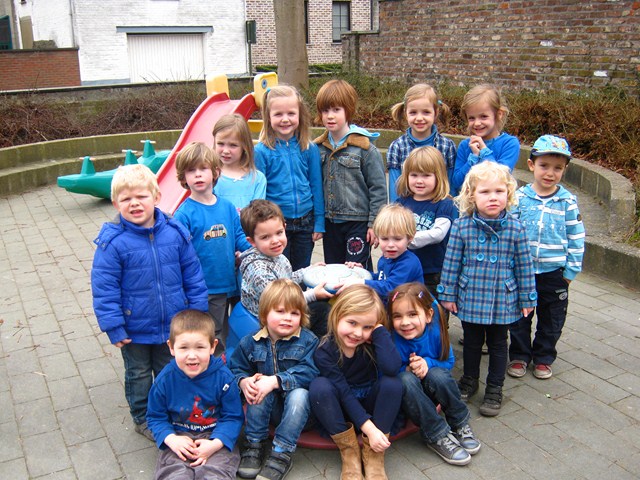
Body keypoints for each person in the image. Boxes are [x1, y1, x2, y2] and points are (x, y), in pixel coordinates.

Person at [91, 164, 208, 441]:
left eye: (141, 196)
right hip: (134, 328)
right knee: (139, 374)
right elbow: (104, 288)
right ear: (115, 203)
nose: (134, 203)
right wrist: (114, 326)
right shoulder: (113, 242)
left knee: (171, 370)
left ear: (156, 197)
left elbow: (193, 274)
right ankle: (142, 416)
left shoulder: (175, 232)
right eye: (126, 198)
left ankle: (170, 411)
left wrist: (197, 313)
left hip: (174, 325)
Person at [437, 161, 537, 416]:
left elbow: (524, 266)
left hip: (501, 297)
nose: (493, 197)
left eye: (499, 191)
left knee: (498, 344)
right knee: (471, 342)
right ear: (472, 195)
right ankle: (470, 379)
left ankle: (495, 387)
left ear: (508, 194)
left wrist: (527, 298)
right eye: (485, 192)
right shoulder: (462, 226)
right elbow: (451, 262)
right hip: (471, 294)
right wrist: (447, 293)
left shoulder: (516, 228)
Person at [507, 135, 585, 380]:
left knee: (552, 319)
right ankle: (519, 355)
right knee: (520, 317)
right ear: (531, 165)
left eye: (557, 168)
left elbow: (576, 238)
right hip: (522, 271)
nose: (550, 173)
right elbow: (510, 232)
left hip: (554, 273)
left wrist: (570, 272)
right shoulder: (519, 198)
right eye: (544, 166)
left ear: (564, 169)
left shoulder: (567, 202)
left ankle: (543, 357)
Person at [228, 279, 319, 480]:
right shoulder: (250, 342)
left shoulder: (309, 341)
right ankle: (254, 443)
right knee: (257, 384)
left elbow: (311, 371)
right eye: (280, 311)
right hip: (269, 413)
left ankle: (281, 452)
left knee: (299, 394)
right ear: (264, 314)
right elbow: (235, 369)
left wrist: (276, 380)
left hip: (300, 414)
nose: (287, 318)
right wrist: (243, 382)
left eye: (294, 313)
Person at [309, 284, 402, 480]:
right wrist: (369, 429)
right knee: (319, 387)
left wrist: (379, 332)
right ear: (337, 316)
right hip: (341, 413)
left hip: (371, 407)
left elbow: (392, 368)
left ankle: (374, 455)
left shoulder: (372, 343)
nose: (358, 333)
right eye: (352, 323)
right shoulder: (324, 350)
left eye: (367, 327)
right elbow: (343, 393)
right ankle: (349, 453)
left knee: (393, 383)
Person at [388, 283, 480, 466]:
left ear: (429, 315)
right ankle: (436, 434)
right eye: (397, 316)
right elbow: (384, 372)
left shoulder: (436, 333)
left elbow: (448, 362)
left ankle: (459, 421)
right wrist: (405, 369)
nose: (405, 322)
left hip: (431, 389)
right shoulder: (391, 339)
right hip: (409, 399)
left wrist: (427, 363)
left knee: (438, 375)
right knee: (405, 379)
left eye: (412, 314)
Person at [146, 310, 244, 480]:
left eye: (200, 347)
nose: (192, 356)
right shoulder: (164, 380)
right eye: (184, 348)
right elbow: (155, 417)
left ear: (212, 346)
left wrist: (215, 444)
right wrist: (171, 439)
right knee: (174, 473)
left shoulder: (224, 378)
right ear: (171, 347)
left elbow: (233, 417)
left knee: (216, 472)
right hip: (178, 436)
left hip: (215, 436)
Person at [174, 142, 251, 353]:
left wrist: (252, 252)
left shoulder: (227, 206)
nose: (198, 175)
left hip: (232, 281)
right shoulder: (184, 214)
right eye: (191, 170)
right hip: (206, 287)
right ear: (183, 178)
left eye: (203, 169)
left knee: (234, 328)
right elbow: (180, 254)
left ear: (215, 172)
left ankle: (231, 361)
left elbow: (238, 236)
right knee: (212, 332)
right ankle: (214, 365)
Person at [226, 200, 332, 355]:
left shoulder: (276, 255)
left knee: (323, 302)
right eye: (265, 237)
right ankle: (311, 354)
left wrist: (308, 271)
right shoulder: (258, 271)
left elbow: (286, 280)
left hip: (280, 309)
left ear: (284, 227)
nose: (275, 240)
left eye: (279, 233)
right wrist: (313, 294)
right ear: (252, 241)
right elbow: (281, 300)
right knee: (324, 311)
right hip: (268, 320)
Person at [314, 79, 387, 271]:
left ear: (348, 110)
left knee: (356, 270)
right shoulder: (318, 148)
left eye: (336, 110)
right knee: (334, 270)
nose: (330, 116)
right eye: (325, 110)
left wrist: (374, 224)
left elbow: (378, 189)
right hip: (331, 223)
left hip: (358, 222)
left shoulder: (364, 149)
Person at [255, 85, 324, 271]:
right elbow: (259, 194)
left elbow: (316, 185)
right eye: (278, 114)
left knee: (302, 271)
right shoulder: (261, 152)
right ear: (268, 117)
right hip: (276, 225)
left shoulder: (309, 148)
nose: (285, 119)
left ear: (300, 115)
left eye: (291, 113)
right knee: (280, 272)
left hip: (305, 223)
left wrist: (319, 222)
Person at [395, 146, 456, 298]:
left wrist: (406, 240)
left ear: (438, 176)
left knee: (431, 309)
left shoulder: (444, 204)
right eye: (414, 175)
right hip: (404, 266)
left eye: (426, 175)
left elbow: (438, 234)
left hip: (432, 272)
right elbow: (390, 227)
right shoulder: (401, 203)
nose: (419, 181)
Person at [387, 83, 456, 201]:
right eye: (413, 112)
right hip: (407, 209)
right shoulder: (397, 146)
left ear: (436, 113)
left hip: (439, 209)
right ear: (406, 113)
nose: (419, 118)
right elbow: (395, 189)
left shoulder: (447, 146)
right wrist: (397, 212)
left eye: (426, 112)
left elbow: (450, 187)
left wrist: (450, 211)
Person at [340, 204, 423, 302]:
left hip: (409, 308)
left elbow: (391, 288)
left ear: (410, 238)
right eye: (384, 239)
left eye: (397, 239)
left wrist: (362, 282)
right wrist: (361, 273)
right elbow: (381, 278)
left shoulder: (408, 263)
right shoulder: (386, 257)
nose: (390, 245)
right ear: (378, 237)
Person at [450, 84, 520, 196]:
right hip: (469, 205)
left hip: (495, 204)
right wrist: (473, 158)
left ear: (499, 114)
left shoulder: (509, 144)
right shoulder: (465, 146)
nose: (477, 123)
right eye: (471, 118)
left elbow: (499, 179)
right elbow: (456, 182)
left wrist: (484, 151)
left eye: (483, 116)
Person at [213, 113, 266, 212]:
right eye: (220, 144)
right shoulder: (211, 176)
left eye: (233, 145)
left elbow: (258, 214)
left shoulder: (257, 179)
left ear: (244, 147)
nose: (226, 151)